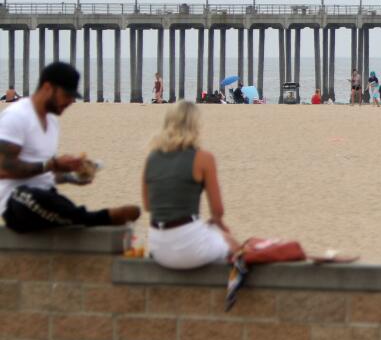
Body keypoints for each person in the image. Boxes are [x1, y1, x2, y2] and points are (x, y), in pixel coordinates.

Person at [0, 63, 141, 233]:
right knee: (34, 198)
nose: (70, 102)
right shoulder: (17, 117)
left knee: (55, 201)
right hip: (15, 202)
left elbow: (46, 175)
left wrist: (71, 176)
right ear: (47, 88)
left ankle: (90, 218)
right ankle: (102, 218)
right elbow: (3, 168)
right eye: (67, 95)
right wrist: (54, 164)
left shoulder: (52, 122)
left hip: (46, 195)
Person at [142, 101, 239, 269]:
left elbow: (148, 206)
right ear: (195, 125)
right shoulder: (204, 158)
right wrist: (217, 224)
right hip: (187, 244)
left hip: (157, 244)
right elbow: (218, 211)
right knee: (235, 246)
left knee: (212, 236)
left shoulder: (151, 158)